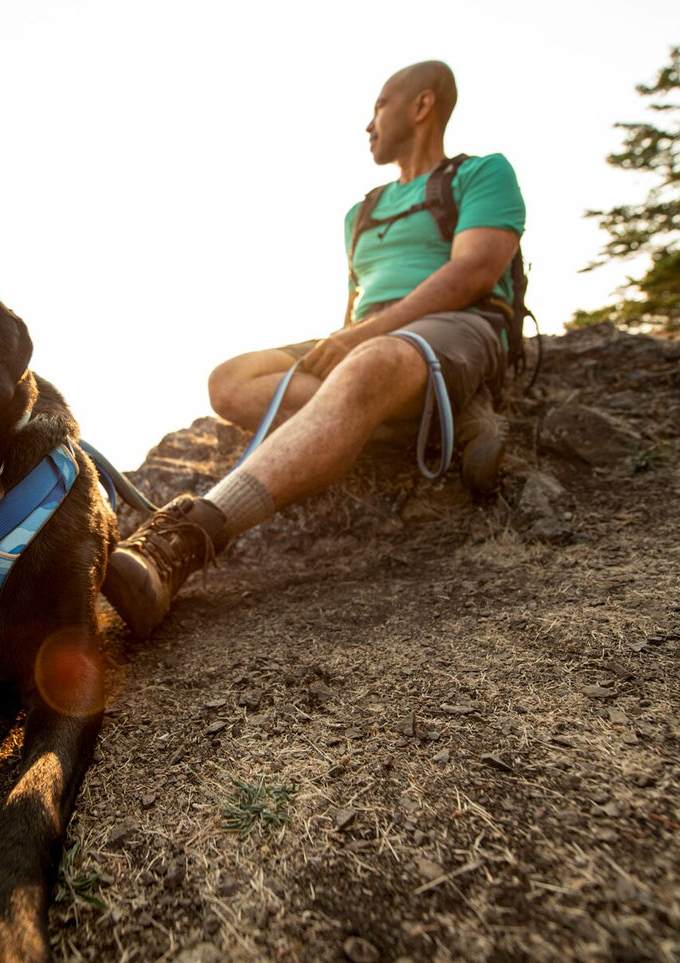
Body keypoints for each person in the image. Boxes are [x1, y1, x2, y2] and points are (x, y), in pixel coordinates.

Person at [103, 60, 526, 638]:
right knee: (231, 379)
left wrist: (364, 340)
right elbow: (356, 307)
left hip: (458, 323)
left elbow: (475, 270)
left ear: (422, 105)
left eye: (380, 105)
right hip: (374, 339)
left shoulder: (482, 174)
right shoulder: (362, 211)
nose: (369, 123)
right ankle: (419, 420)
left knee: (370, 364)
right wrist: (355, 340)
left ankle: (189, 538)